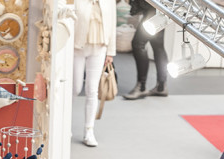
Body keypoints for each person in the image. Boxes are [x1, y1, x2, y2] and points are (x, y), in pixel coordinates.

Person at [72, 0, 116, 147]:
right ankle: (64, 125)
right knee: (75, 88)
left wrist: (110, 51)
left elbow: (112, 23)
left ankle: (89, 130)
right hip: (77, 46)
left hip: (100, 47)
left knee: (92, 90)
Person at [123, 0, 168, 100]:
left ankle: (141, 87)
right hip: (159, 8)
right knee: (158, 45)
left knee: (138, 44)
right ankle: (161, 86)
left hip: (154, 7)